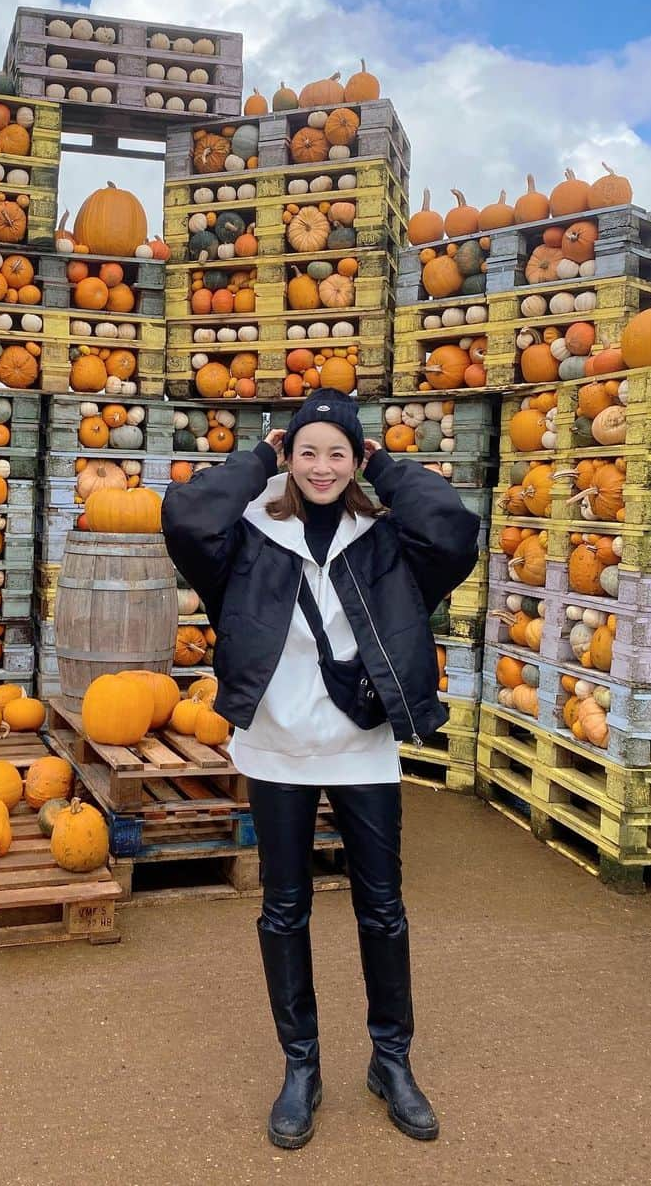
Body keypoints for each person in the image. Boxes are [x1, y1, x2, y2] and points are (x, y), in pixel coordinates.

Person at [161, 389, 481, 1150]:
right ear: (289, 455)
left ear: (356, 458)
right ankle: (300, 1068)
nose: (323, 465)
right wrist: (257, 463)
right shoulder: (248, 531)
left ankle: (391, 1061)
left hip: (360, 743)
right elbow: (185, 516)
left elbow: (456, 528)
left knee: (382, 908)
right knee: (284, 910)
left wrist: (387, 467)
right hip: (275, 744)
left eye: (339, 452)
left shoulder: (386, 537)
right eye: (308, 451)